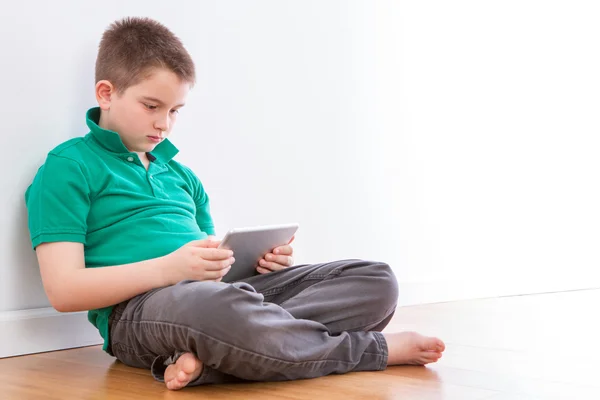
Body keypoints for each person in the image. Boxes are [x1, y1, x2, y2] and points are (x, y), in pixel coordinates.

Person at [24, 17, 445, 390]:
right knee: (219, 309)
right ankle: (370, 351)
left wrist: (251, 264)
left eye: (175, 110)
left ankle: (214, 364)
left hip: (216, 298)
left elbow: (212, 267)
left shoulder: (181, 175)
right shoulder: (68, 167)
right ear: (106, 93)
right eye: (152, 106)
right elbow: (64, 290)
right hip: (138, 314)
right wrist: (169, 270)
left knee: (376, 281)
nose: (164, 124)